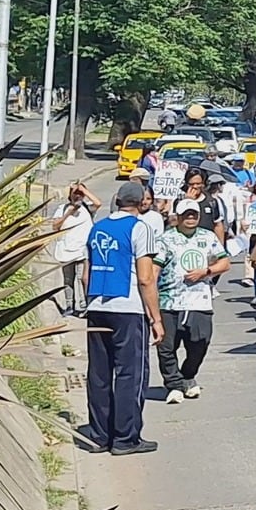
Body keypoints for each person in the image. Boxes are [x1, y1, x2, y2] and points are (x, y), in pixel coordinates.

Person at [81, 182, 164, 455]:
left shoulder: (97, 228)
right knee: (131, 374)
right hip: (128, 309)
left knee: (99, 373)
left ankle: (99, 435)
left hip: (96, 304)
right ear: (141, 203)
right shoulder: (141, 228)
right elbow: (145, 277)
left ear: (116, 201)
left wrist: (90, 302)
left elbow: (86, 274)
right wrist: (156, 318)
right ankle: (125, 438)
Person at [152, 200, 230, 401]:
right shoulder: (165, 239)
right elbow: (154, 271)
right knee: (167, 346)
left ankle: (188, 376)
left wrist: (206, 271)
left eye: (194, 214)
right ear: (177, 217)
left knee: (200, 342)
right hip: (170, 302)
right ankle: (174, 385)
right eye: (186, 215)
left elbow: (224, 262)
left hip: (199, 301)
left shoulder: (207, 237)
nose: (190, 218)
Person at [48, 182, 97, 318]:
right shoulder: (62, 209)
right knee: (68, 279)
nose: (78, 195)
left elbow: (97, 203)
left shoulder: (87, 208)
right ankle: (70, 305)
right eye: (75, 193)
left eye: (80, 193)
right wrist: (69, 213)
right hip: (66, 249)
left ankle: (85, 304)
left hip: (83, 250)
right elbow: (55, 226)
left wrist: (84, 191)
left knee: (84, 278)